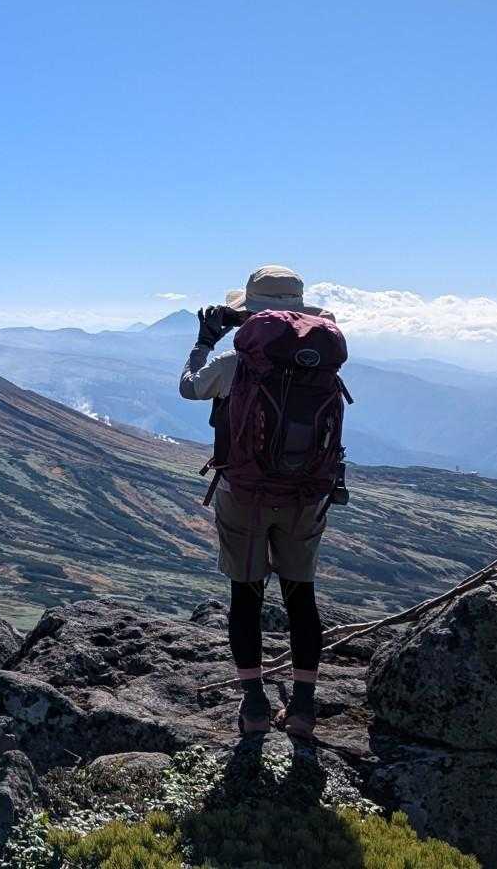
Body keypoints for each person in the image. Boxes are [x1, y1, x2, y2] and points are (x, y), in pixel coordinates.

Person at [179, 265, 338, 739]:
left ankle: (253, 705)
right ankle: (303, 708)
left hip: (244, 494)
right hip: (306, 494)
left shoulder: (236, 363)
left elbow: (190, 387)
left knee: (245, 597)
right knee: (301, 596)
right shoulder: (320, 360)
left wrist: (205, 342)